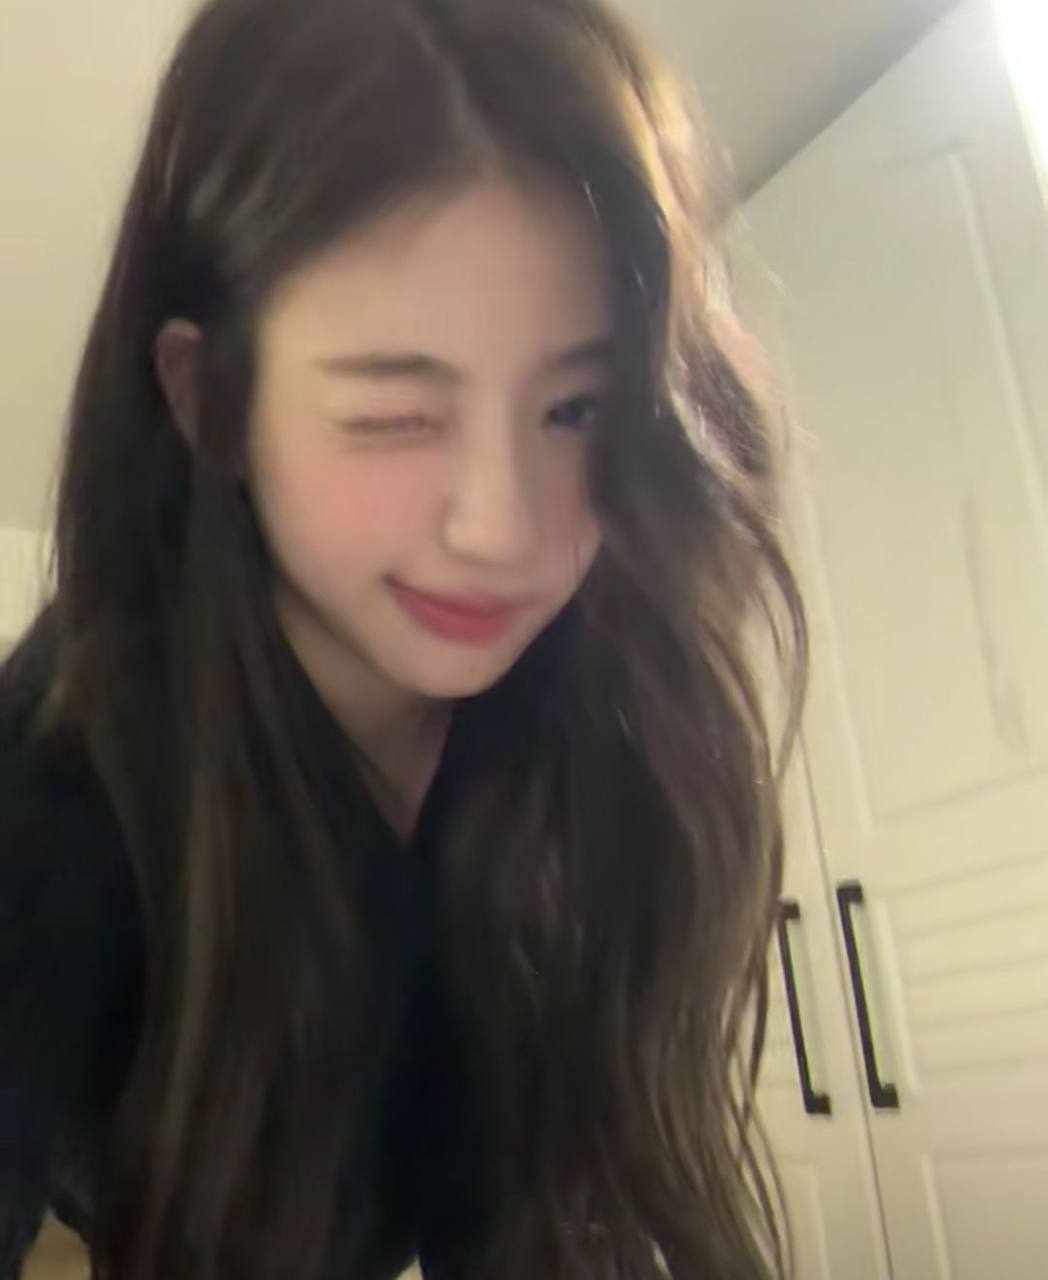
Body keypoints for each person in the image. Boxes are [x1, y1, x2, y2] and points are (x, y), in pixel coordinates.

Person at [0, 0, 807, 1276]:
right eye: (395, 416)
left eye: (575, 407)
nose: (504, 527)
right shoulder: (53, 806)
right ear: (210, 404)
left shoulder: (606, 691)